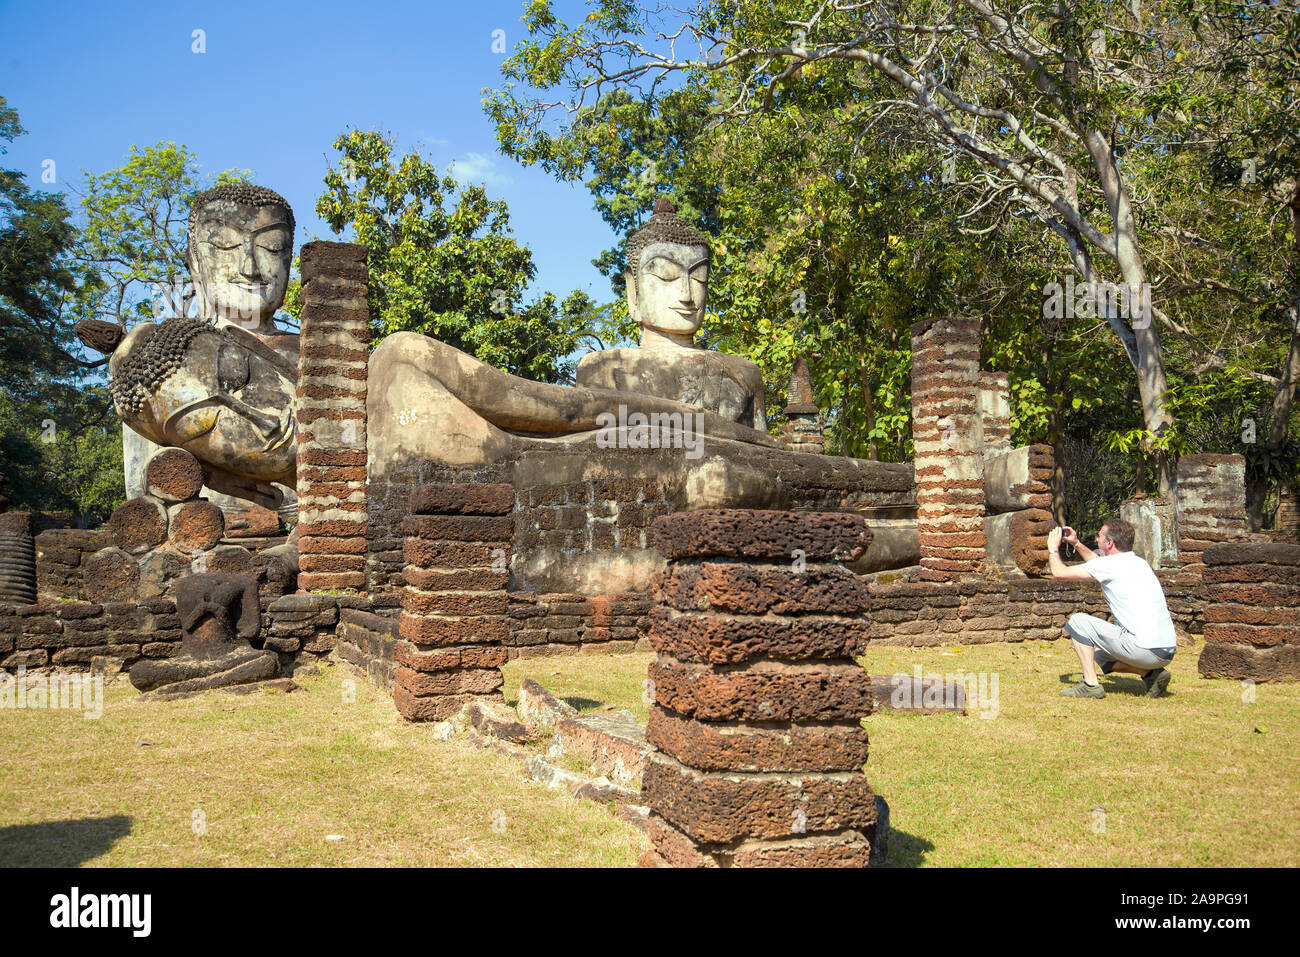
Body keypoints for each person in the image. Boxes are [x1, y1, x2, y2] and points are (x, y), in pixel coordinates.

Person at [1046, 517, 1177, 699]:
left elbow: (1059, 573)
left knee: (1078, 622)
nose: (1097, 540)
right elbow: (1098, 563)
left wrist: (1052, 547)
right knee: (1101, 657)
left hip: (1144, 650)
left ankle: (1090, 685)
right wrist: (1076, 543)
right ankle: (1152, 675)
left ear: (1109, 542)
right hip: (1166, 651)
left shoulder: (1111, 565)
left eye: (1100, 536)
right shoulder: (1139, 562)